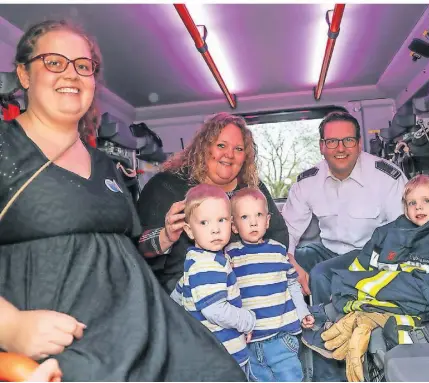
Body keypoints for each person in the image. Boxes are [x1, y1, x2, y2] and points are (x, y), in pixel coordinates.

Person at [0, 19, 246, 381]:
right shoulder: (5, 149)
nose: (71, 74)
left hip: (142, 328)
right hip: (64, 341)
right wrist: (10, 326)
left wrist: (160, 238)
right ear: (24, 74)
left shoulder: (104, 164)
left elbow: (127, 249)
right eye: (54, 61)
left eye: (83, 66)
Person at [281, 111, 408, 381]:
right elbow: (288, 231)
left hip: (372, 253)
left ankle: (334, 369)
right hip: (329, 249)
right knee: (293, 261)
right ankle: (293, 341)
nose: (340, 148)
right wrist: (290, 265)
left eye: (348, 140)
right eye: (332, 142)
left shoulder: (385, 176)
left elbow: (403, 230)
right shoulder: (308, 181)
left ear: (359, 143)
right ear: (321, 146)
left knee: (322, 273)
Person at [314, 175, 429, 382]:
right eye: (412, 203)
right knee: (338, 282)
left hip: (423, 297)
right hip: (388, 293)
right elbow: (356, 271)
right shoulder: (389, 233)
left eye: (427, 201)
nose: (418, 207)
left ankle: (375, 314)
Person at [137, 112, 289, 294]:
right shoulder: (166, 186)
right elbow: (138, 247)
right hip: (186, 288)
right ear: (204, 148)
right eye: (221, 145)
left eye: (239, 149)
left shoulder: (252, 187)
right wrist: (166, 236)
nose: (229, 155)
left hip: (250, 282)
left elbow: (278, 235)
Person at [225, 188, 314, 382]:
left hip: (281, 338)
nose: (254, 222)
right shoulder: (229, 256)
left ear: (267, 220)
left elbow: (292, 284)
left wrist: (302, 311)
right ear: (234, 226)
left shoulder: (278, 251)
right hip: (249, 341)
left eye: (259, 215)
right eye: (245, 217)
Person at [170, 184, 256, 376]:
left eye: (221, 220)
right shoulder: (208, 265)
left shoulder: (195, 259)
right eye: (204, 223)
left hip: (208, 357)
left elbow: (176, 298)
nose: (215, 229)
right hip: (224, 359)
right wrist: (247, 320)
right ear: (189, 230)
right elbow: (214, 310)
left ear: (231, 223)